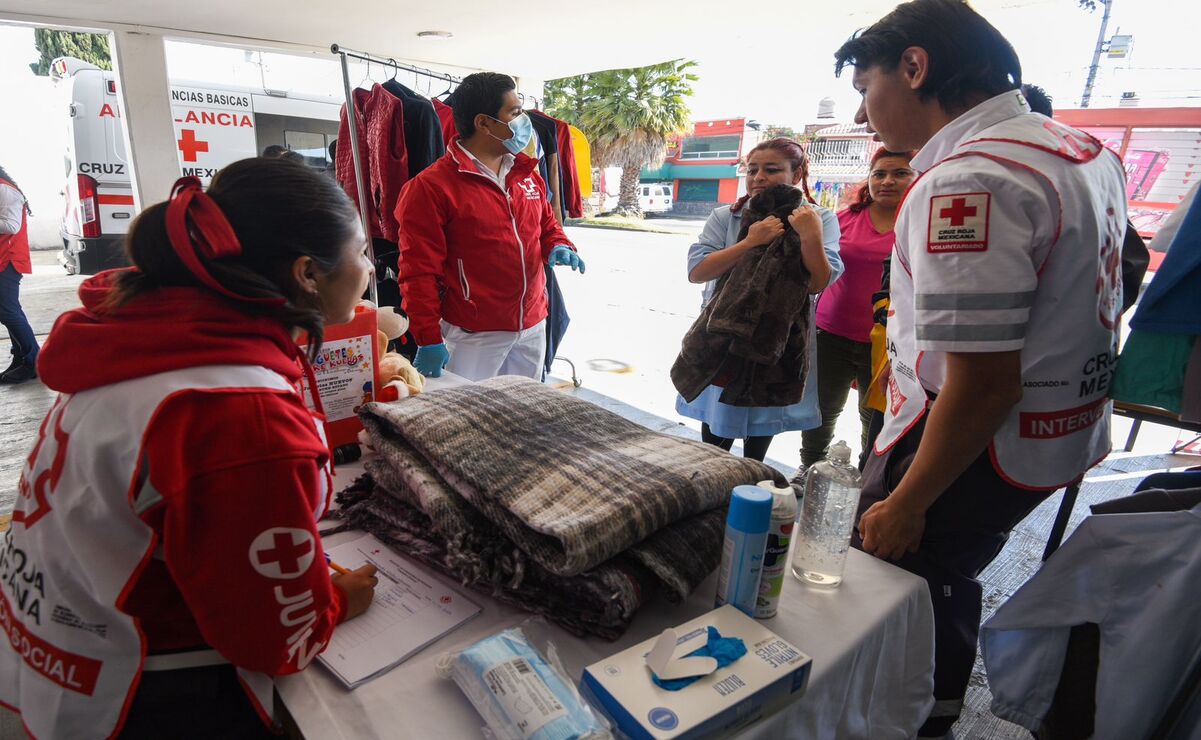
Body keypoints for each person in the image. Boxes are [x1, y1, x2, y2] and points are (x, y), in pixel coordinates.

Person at [0, 158, 380, 739]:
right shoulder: (238, 413)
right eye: (363, 251)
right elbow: (275, 640)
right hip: (145, 694)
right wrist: (334, 603)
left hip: (55, 654)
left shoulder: (146, 340)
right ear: (308, 272)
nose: (371, 268)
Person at [834, 0, 1128, 736]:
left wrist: (909, 501)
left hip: (972, 442)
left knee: (902, 579)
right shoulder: (1081, 152)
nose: (863, 115)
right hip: (1057, 427)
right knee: (947, 572)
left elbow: (983, 382)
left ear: (914, 67)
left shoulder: (968, 180)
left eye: (866, 89)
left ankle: (909, 716)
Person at [394, 72, 583, 381]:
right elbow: (418, 272)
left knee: (523, 407)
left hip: (532, 326)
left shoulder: (527, 174)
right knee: (468, 412)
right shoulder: (431, 187)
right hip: (473, 335)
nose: (524, 121)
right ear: (483, 123)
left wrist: (559, 245)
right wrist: (427, 337)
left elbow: (547, 225)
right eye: (515, 112)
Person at [676, 138, 842, 461]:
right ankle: (712, 479)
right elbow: (697, 271)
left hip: (780, 341)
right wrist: (749, 242)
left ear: (797, 174)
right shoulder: (728, 216)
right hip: (725, 336)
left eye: (772, 169)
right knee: (717, 424)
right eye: (752, 170)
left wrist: (810, 235)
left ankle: (753, 477)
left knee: (763, 420)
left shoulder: (819, 219)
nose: (759, 178)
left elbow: (818, 283)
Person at [799, 149, 915, 473]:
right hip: (830, 332)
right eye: (879, 174)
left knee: (875, 418)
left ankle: (866, 479)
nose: (887, 181)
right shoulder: (844, 219)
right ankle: (809, 471)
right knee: (821, 411)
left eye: (900, 173)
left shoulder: (920, 221)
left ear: (917, 178)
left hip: (887, 343)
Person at [0, 165, 38, 384]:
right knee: (8, 311)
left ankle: (33, 361)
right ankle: (22, 358)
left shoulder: (5, 190)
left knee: (8, 312)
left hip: (9, 259)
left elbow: (11, 226)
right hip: (3, 258)